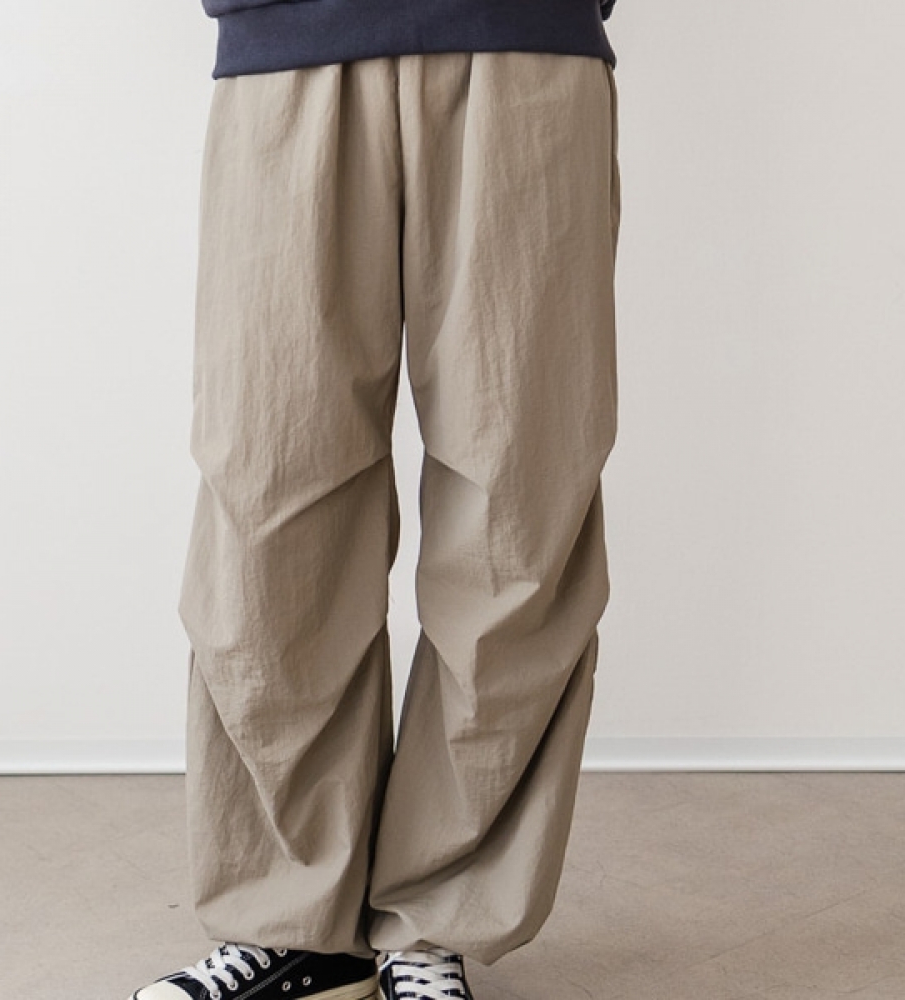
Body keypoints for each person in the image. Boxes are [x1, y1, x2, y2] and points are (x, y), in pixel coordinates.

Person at [130, 0, 620, 997]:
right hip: (287, 54)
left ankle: (438, 916)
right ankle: (289, 920)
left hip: (524, 44)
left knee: (517, 517)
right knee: (268, 502)